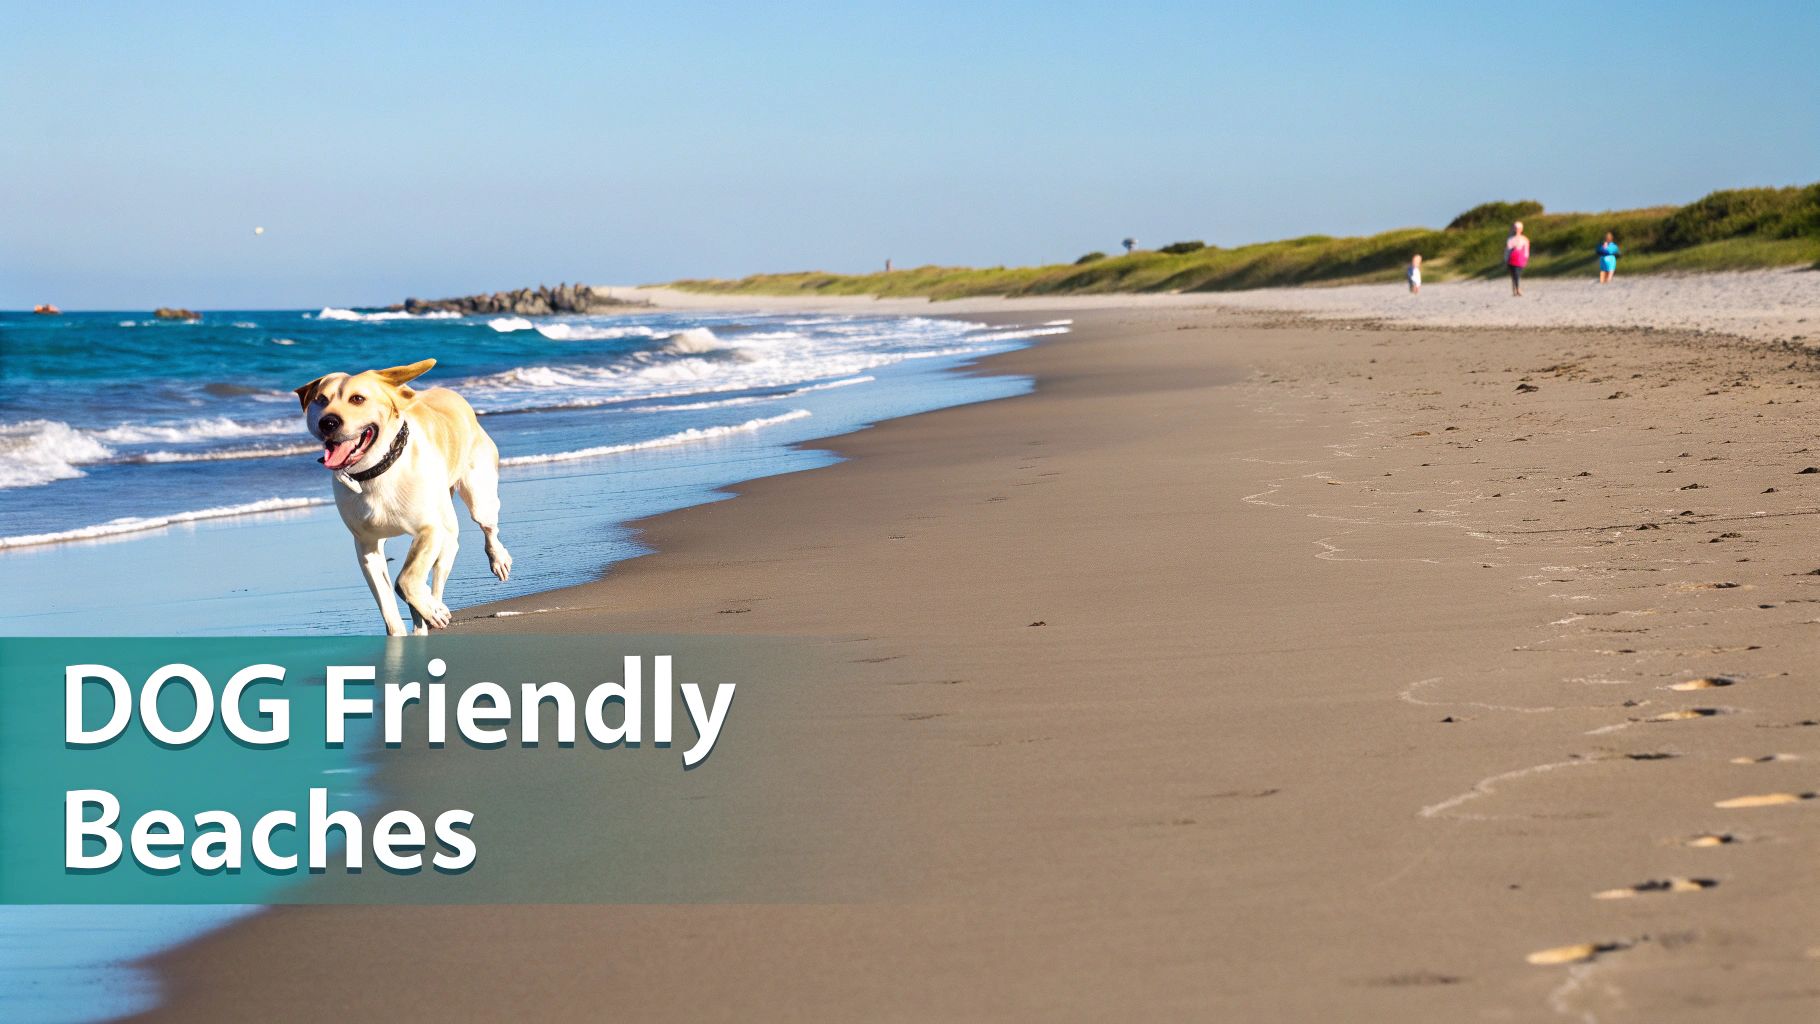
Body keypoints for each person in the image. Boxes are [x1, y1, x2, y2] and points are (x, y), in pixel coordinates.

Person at [1505, 221, 1530, 297]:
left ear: (1521, 229)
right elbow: (1507, 250)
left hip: (1520, 259)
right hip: (1511, 259)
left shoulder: (1525, 239)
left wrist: (1526, 259)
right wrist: (1506, 259)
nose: (1517, 230)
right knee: (1514, 275)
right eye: (1516, 228)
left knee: (1517, 275)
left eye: (1519, 228)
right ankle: (1515, 290)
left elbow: (1526, 250)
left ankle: (1517, 289)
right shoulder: (1510, 239)